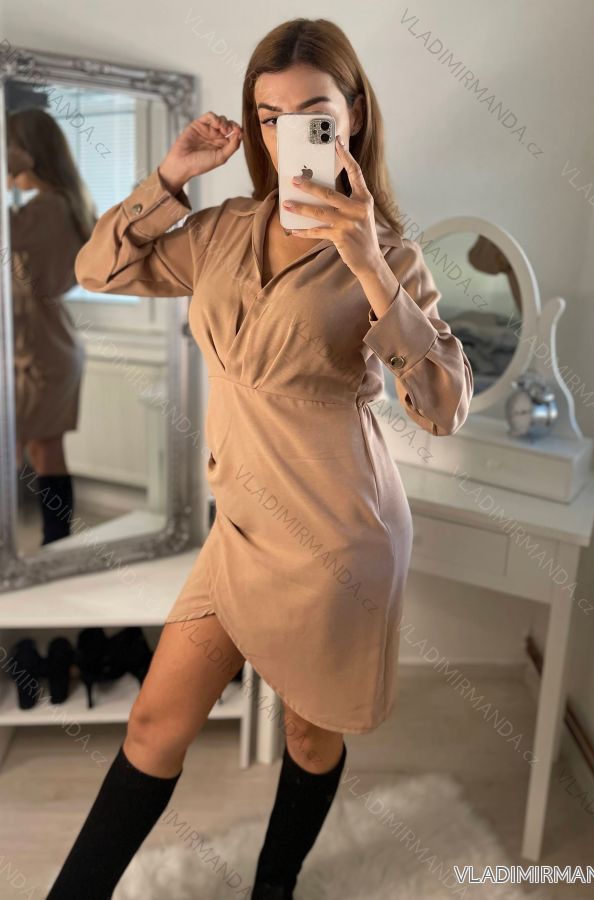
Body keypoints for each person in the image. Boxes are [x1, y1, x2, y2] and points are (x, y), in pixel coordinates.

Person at [45, 17, 474, 900]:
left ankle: (272, 887)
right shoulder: (222, 230)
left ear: (351, 117)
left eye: (311, 114)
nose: (286, 136)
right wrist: (170, 178)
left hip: (334, 542)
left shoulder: (391, 255)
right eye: (268, 117)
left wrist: (366, 263)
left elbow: (440, 408)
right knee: (152, 727)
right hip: (238, 528)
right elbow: (96, 270)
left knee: (309, 738)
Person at [7, 108, 95, 544]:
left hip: (42, 352)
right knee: (45, 448)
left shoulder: (46, 208)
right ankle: (56, 545)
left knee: (20, 445)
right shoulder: (58, 203)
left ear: (26, 152)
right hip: (48, 345)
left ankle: (43, 546)